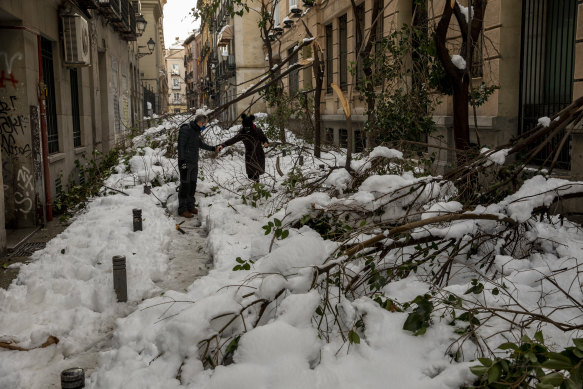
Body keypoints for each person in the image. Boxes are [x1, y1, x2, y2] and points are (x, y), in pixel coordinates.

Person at [177, 114, 218, 218]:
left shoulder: (196, 131)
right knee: (185, 186)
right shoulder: (186, 130)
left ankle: (190, 206)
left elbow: (200, 144)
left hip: (194, 162)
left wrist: (213, 148)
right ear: (200, 122)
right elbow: (180, 146)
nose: (205, 126)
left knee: (192, 185)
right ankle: (182, 209)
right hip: (185, 162)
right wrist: (182, 161)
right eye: (204, 124)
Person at [217, 114, 269, 181]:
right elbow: (233, 140)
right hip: (249, 155)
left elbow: (264, 139)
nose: (247, 129)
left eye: (248, 127)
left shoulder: (258, 131)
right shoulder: (242, 133)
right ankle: (253, 187)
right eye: (245, 127)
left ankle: (257, 188)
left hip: (258, 153)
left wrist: (265, 143)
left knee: (257, 173)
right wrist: (223, 145)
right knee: (250, 175)